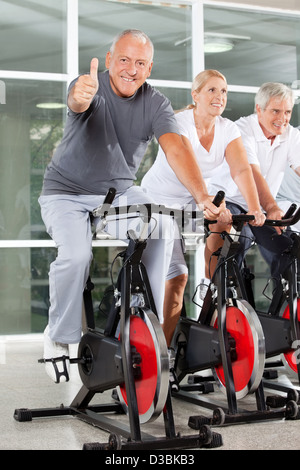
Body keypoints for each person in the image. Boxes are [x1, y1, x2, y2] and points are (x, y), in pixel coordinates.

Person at [38, 30, 221, 383]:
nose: (131, 69)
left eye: (140, 63)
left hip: (119, 193)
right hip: (65, 193)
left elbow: (176, 149)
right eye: (123, 59)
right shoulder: (89, 85)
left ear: (149, 68)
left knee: (164, 224)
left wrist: (201, 196)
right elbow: (78, 101)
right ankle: (60, 337)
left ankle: (140, 314)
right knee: (76, 256)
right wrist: (79, 96)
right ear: (109, 60)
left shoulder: (155, 103)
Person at [141, 69, 264, 348]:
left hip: (191, 201)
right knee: (178, 275)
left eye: (223, 91)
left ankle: (212, 292)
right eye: (211, 90)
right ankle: (164, 354)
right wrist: (205, 199)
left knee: (224, 225)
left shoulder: (228, 129)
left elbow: (241, 169)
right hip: (160, 203)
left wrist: (256, 208)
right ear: (195, 95)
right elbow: (187, 162)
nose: (219, 96)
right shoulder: (179, 122)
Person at [208, 82, 300, 284]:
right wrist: (272, 207)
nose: (282, 118)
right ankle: (225, 298)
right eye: (276, 111)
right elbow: (251, 173)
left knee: (290, 248)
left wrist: (268, 208)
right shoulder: (241, 129)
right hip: (230, 201)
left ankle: (284, 307)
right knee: (239, 243)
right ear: (259, 109)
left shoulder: (290, 134)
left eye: (287, 112)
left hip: (262, 207)